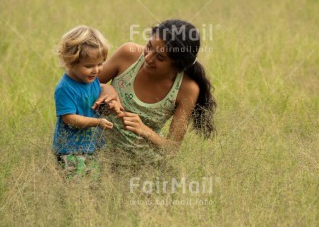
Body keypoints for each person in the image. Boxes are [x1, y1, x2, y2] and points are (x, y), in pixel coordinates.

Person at [94, 19, 216, 166]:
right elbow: (78, 85)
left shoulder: (187, 89)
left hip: (142, 168)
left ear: (178, 65)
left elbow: (172, 149)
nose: (148, 58)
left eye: (160, 57)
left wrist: (144, 130)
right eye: (149, 46)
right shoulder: (128, 55)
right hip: (96, 157)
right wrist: (105, 87)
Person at [52, 25, 115, 178]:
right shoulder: (65, 88)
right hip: (70, 150)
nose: (96, 70)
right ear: (70, 62)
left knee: (93, 183)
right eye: (89, 66)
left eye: (100, 64)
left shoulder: (91, 80)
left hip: (91, 146)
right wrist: (97, 122)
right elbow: (68, 118)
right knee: (76, 187)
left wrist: (107, 103)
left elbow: (95, 93)